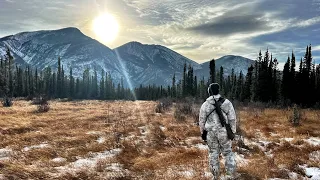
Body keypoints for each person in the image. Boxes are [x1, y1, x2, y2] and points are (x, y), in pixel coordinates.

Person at [199, 83, 237, 180]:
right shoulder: (227, 103)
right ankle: (230, 175)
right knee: (228, 153)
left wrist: (202, 133)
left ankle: (215, 176)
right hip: (224, 132)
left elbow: (201, 120)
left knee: (213, 153)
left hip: (210, 133)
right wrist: (232, 131)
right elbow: (232, 119)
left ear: (209, 91)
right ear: (218, 91)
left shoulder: (205, 105)